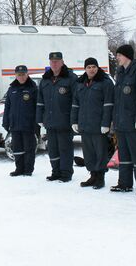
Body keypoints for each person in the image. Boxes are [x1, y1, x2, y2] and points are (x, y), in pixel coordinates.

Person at [112, 44, 136, 199]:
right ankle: (125, 183)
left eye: (119, 55)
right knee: (124, 155)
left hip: (134, 123)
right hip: (121, 123)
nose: (117, 58)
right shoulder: (120, 72)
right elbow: (118, 99)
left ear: (126, 56)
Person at [71, 57, 114, 189]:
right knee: (89, 153)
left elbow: (109, 104)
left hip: (98, 125)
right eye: (89, 67)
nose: (91, 69)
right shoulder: (80, 83)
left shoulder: (105, 82)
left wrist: (106, 124)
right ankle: (93, 175)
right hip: (84, 125)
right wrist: (74, 121)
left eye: (94, 67)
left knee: (100, 152)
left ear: (97, 67)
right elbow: (75, 104)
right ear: (85, 69)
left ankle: (100, 178)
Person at [36, 52, 78, 183]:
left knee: (65, 149)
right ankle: (56, 172)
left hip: (65, 121)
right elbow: (40, 101)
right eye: (52, 61)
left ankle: (66, 173)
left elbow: (76, 101)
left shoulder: (71, 78)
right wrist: (39, 118)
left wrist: (74, 120)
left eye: (57, 61)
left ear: (62, 62)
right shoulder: (45, 80)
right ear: (49, 63)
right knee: (53, 149)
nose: (54, 63)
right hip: (50, 121)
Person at [3, 65, 38, 177]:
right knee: (17, 148)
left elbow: (37, 107)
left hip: (28, 124)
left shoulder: (33, 88)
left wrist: (37, 124)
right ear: (16, 76)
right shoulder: (11, 89)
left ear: (27, 74)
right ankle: (19, 168)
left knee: (29, 148)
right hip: (15, 124)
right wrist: (6, 122)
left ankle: (28, 169)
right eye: (19, 75)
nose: (21, 77)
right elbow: (7, 107)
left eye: (23, 74)